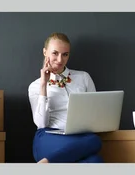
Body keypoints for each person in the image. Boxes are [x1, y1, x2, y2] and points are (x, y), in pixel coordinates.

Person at [28, 32, 103, 163]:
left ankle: (47, 163)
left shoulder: (83, 77)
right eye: (55, 53)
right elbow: (41, 123)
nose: (60, 60)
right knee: (94, 143)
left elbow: (94, 114)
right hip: (48, 137)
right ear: (45, 52)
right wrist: (44, 85)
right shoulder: (35, 86)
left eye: (65, 54)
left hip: (78, 137)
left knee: (95, 157)